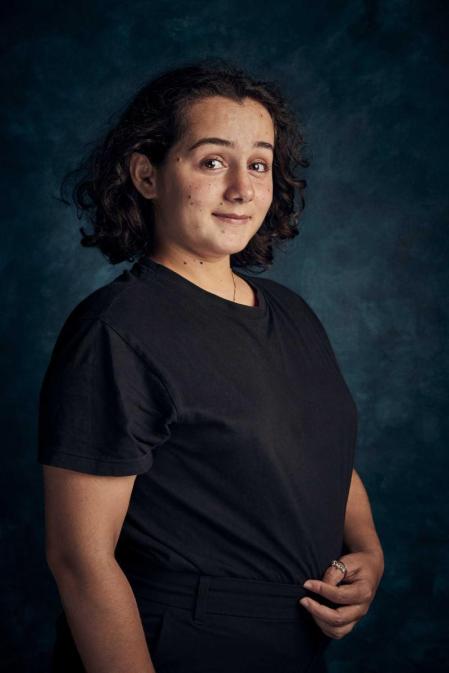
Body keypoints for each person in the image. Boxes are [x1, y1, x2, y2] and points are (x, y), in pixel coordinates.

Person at [38, 58, 384, 673]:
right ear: (147, 175)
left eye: (259, 164)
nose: (242, 190)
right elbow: (79, 560)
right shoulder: (117, 329)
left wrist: (368, 551)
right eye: (213, 162)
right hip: (175, 642)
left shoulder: (293, 312)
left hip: (293, 645)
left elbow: (323, 451)